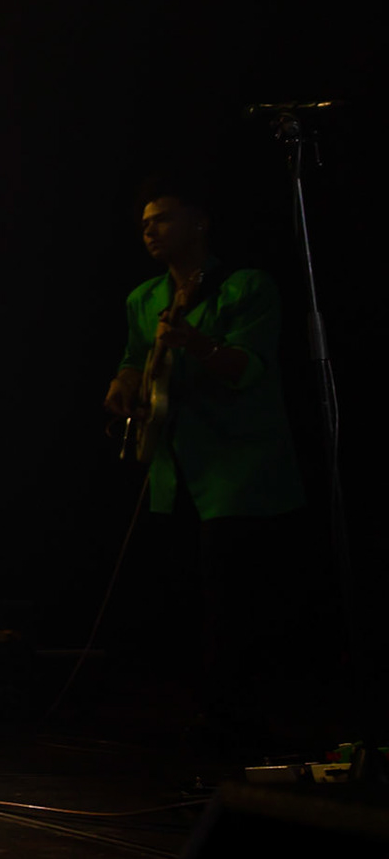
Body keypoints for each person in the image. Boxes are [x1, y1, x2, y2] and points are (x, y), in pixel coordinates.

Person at [101, 181, 304, 744]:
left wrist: (194, 343)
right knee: (185, 595)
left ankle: (240, 718)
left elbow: (249, 368)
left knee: (237, 598)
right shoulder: (144, 298)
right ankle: (196, 710)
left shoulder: (245, 287)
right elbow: (134, 357)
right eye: (144, 223)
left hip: (239, 467)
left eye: (163, 219)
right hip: (173, 466)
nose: (150, 231)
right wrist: (122, 384)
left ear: (200, 224)